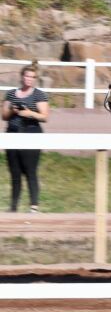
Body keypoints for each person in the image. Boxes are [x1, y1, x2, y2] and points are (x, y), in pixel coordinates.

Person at [2, 63, 49, 213]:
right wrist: (12, 110)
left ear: (35, 79)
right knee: (14, 172)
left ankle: (33, 206)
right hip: (12, 133)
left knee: (30, 170)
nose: (29, 79)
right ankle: (13, 207)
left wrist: (29, 113)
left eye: (32, 77)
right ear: (22, 77)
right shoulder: (10, 94)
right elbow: (4, 116)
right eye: (27, 76)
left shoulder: (39, 94)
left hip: (31, 133)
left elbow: (45, 117)